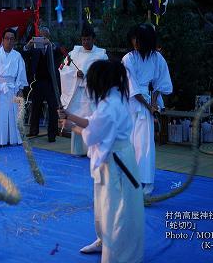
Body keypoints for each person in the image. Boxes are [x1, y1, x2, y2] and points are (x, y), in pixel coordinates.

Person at [59, 60, 144, 262]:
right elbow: (94, 122)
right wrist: (71, 117)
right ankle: (103, 240)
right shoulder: (115, 98)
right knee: (103, 204)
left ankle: (118, 255)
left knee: (116, 210)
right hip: (117, 158)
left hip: (118, 162)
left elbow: (92, 134)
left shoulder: (110, 105)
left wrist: (71, 126)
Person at [122, 24, 173, 195]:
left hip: (147, 106)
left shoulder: (157, 58)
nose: (136, 42)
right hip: (130, 103)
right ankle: (129, 179)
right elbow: (132, 88)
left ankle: (147, 182)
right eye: (134, 38)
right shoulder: (128, 58)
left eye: (139, 39)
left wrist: (153, 103)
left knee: (144, 145)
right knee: (127, 143)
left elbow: (160, 83)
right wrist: (149, 105)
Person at [59, 25, 108, 155]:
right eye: (83, 39)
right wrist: (75, 74)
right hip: (77, 93)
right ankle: (78, 150)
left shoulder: (101, 55)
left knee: (91, 120)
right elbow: (63, 69)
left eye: (88, 39)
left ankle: (92, 151)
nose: (85, 42)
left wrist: (87, 75)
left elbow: (105, 74)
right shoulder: (74, 53)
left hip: (92, 94)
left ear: (93, 39)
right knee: (77, 118)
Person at [0, 28, 28, 148]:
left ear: (15, 41)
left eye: (12, 39)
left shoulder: (17, 56)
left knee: (13, 113)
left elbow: (21, 74)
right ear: (2, 40)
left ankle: (12, 138)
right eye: (7, 38)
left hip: (12, 87)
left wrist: (20, 89)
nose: (9, 41)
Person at [23, 26, 62, 142]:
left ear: (48, 37)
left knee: (52, 107)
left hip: (51, 82)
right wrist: (29, 43)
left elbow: (59, 51)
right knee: (35, 106)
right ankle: (33, 130)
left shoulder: (53, 46)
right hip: (38, 81)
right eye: (40, 36)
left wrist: (49, 43)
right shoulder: (35, 48)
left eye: (45, 36)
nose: (42, 38)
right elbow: (24, 52)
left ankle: (52, 134)